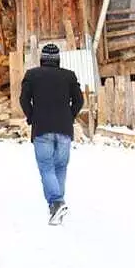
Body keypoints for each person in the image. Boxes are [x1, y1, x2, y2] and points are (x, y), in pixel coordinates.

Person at [19, 43, 84, 224]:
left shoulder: (32, 75)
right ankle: (57, 208)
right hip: (64, 129)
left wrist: (32, 117)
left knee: (47, 167)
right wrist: (69, 117)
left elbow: (24, 99)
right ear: (58, 60)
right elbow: (79, 100)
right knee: (60, 167)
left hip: (42, 128)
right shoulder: (68, 76)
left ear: (42, 58)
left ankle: (56, 202)